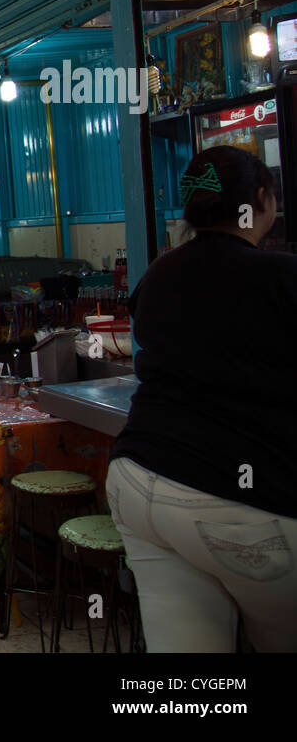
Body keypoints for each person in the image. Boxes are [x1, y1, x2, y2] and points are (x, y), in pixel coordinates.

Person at [106, 145, 297, 652]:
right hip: (239, 502)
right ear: (261, 199)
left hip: (139, 479)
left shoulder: (158, 275)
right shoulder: (281, 276)